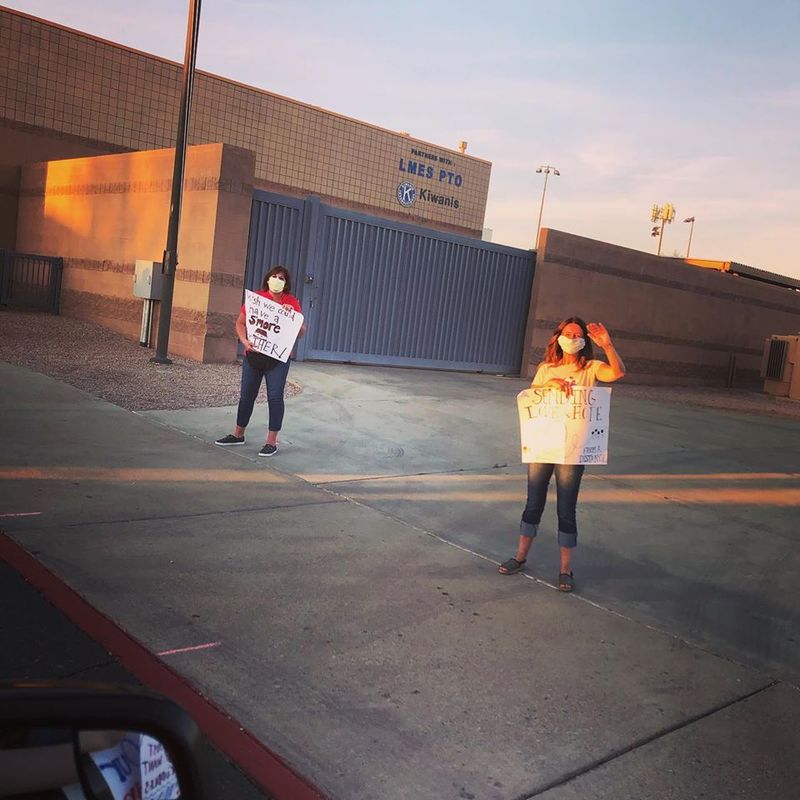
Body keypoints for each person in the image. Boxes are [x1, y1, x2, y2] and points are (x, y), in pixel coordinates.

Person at [498, 317, 625, 591]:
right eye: (568, 333)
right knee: (533, 503)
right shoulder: (546, 369)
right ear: (558, 337)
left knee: (566, 509)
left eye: (578, 334)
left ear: (584, 341)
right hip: (544, 444)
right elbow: (531, 396)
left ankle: (565, 570)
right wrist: (549, 385)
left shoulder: (591, 368)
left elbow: (617, 373)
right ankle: (520, 556)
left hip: (573, 449)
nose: (573, 337)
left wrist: (608, 345)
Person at [215, 266, 306, 457]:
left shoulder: (291, 302)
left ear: (286, 283)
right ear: (267, 279)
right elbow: (240, 323)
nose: (277, 280)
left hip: (277, 359)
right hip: (253, 356)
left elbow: (301, 332)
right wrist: (244, 341)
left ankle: (271, 442)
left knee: (275, 397)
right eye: (274, 276)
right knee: (246, 396)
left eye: (281, 278)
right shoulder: (257, 299)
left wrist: (291, 317)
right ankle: (238, 434)